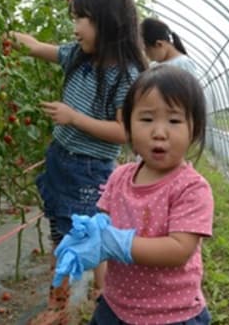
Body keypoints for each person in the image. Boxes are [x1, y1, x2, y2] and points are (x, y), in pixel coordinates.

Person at [10, 0, 147, 324]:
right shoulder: (79, 56)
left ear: (106, 20)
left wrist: (74, 118)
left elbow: (123, 133)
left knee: (80, 235)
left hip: (89, 169)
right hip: (62, 159)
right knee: (72, 229)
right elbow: (37, 47)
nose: (75, 28)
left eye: (81, 19)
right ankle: (87, 296)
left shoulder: (125, 74)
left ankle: (65, 303)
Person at [53, 64, 214, 325]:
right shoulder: (119, 177)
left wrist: (117, 243)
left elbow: (178, 250)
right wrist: (91, 253)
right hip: (115, 306)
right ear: (128, 126)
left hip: (171, 314)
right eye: (146, 119)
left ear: (194, 129)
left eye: (174, 121)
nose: (159, 132)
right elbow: (103, 230)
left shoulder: (191, 188)